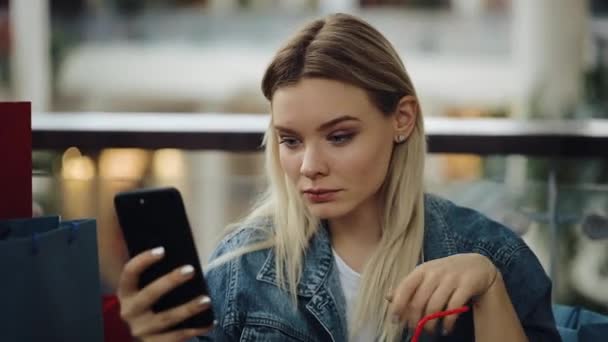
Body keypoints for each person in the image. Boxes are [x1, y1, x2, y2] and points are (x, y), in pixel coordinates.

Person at [116, 13, 560, 341]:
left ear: (402, 119)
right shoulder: (243, 267)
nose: (309, 166)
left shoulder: (489, 257)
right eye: (290, 140)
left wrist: (489, 289)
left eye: (340, 136)